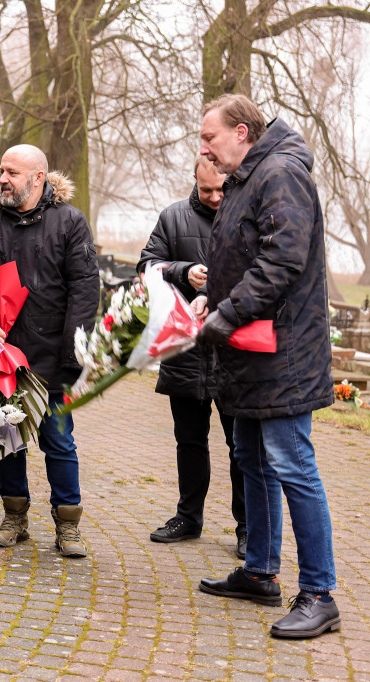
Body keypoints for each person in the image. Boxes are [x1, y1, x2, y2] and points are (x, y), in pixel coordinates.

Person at [194, 94, 339, 639]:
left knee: (291, 462)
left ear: (242, 132)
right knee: (250, 456)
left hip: (284, 353)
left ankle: (320, 593)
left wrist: (228, 311)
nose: (203, 147)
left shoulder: (280, 172)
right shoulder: (247, 179)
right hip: (252, 349)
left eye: (210, 137)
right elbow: (245, 255)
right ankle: (259, 572)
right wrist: (215, 299)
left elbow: (283, 259)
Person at [0, 144, 99, 558]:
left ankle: (67, 525)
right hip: (1, 358)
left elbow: (85, 291)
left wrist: (73, 356)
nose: (3, 179)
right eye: (1, 171)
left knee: (59, 440)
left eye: (12, 172)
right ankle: (14, 516)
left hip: (52, 356)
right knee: (5, 440)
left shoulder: (70, 223)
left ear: (38, 179)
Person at [137, 156, 247, 559]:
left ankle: (248, 528)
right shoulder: (173, 218)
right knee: (189, 441)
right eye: (207, 191)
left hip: (235, 352)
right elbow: (147, 267)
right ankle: (189, 517)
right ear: (195, 183)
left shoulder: (247, 214)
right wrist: (183, 272)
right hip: (185, 349)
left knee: (243, 447)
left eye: (222, 189)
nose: (216, 197)